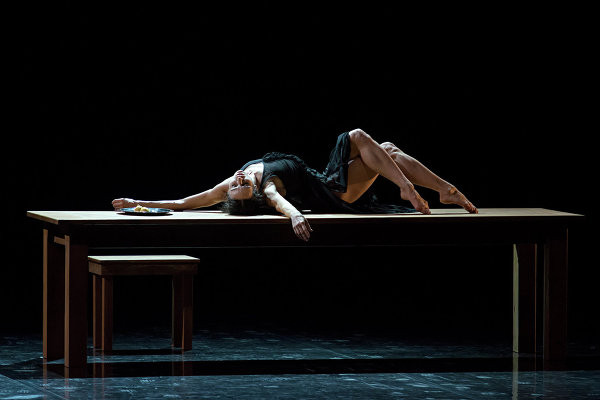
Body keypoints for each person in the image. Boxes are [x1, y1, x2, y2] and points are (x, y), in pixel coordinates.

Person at [112, 129, 478, 241]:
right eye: (242, 186)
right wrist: (294, 216)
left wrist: (134, 202)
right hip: (336, 193)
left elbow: (182, 202)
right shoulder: (268, 188)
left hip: (326, 178)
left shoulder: (232, 185)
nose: (239, 181)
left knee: (387, 150)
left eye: (236, 185)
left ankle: (445, 190)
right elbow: (279, 201)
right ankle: (408, 189)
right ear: (253, 195)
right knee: (357, 137)